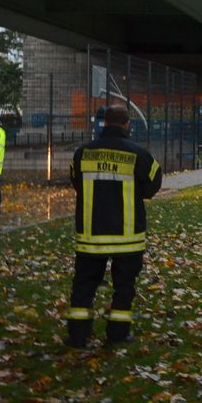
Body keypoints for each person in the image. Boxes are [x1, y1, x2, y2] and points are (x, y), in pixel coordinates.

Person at [65, 104, 162, 348]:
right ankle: (118, 334)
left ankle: (78, 335)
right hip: (127, 236)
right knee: (124, 287)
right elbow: (153, 185)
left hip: (90, 234)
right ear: (127, 124)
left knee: (84, 285)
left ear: (104, 123)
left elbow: (76, 182)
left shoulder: (82, 153)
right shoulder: (139, 154)